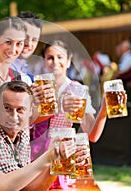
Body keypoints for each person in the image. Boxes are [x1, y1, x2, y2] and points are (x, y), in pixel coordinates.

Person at [30, 40, 108, 189]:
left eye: (60, 57)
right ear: (44, 61)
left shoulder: (77, 90)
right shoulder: (37, 87)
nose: (55, 62)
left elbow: (92, 135)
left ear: (68, 61)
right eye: (50, 57)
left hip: (61, 158)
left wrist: (104, 110)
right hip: (34, 158)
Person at [10, 11, 43, 80]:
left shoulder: (26, 71)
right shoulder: (4, 69)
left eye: (34, 40)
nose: (29, 44)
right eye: (25, 37)